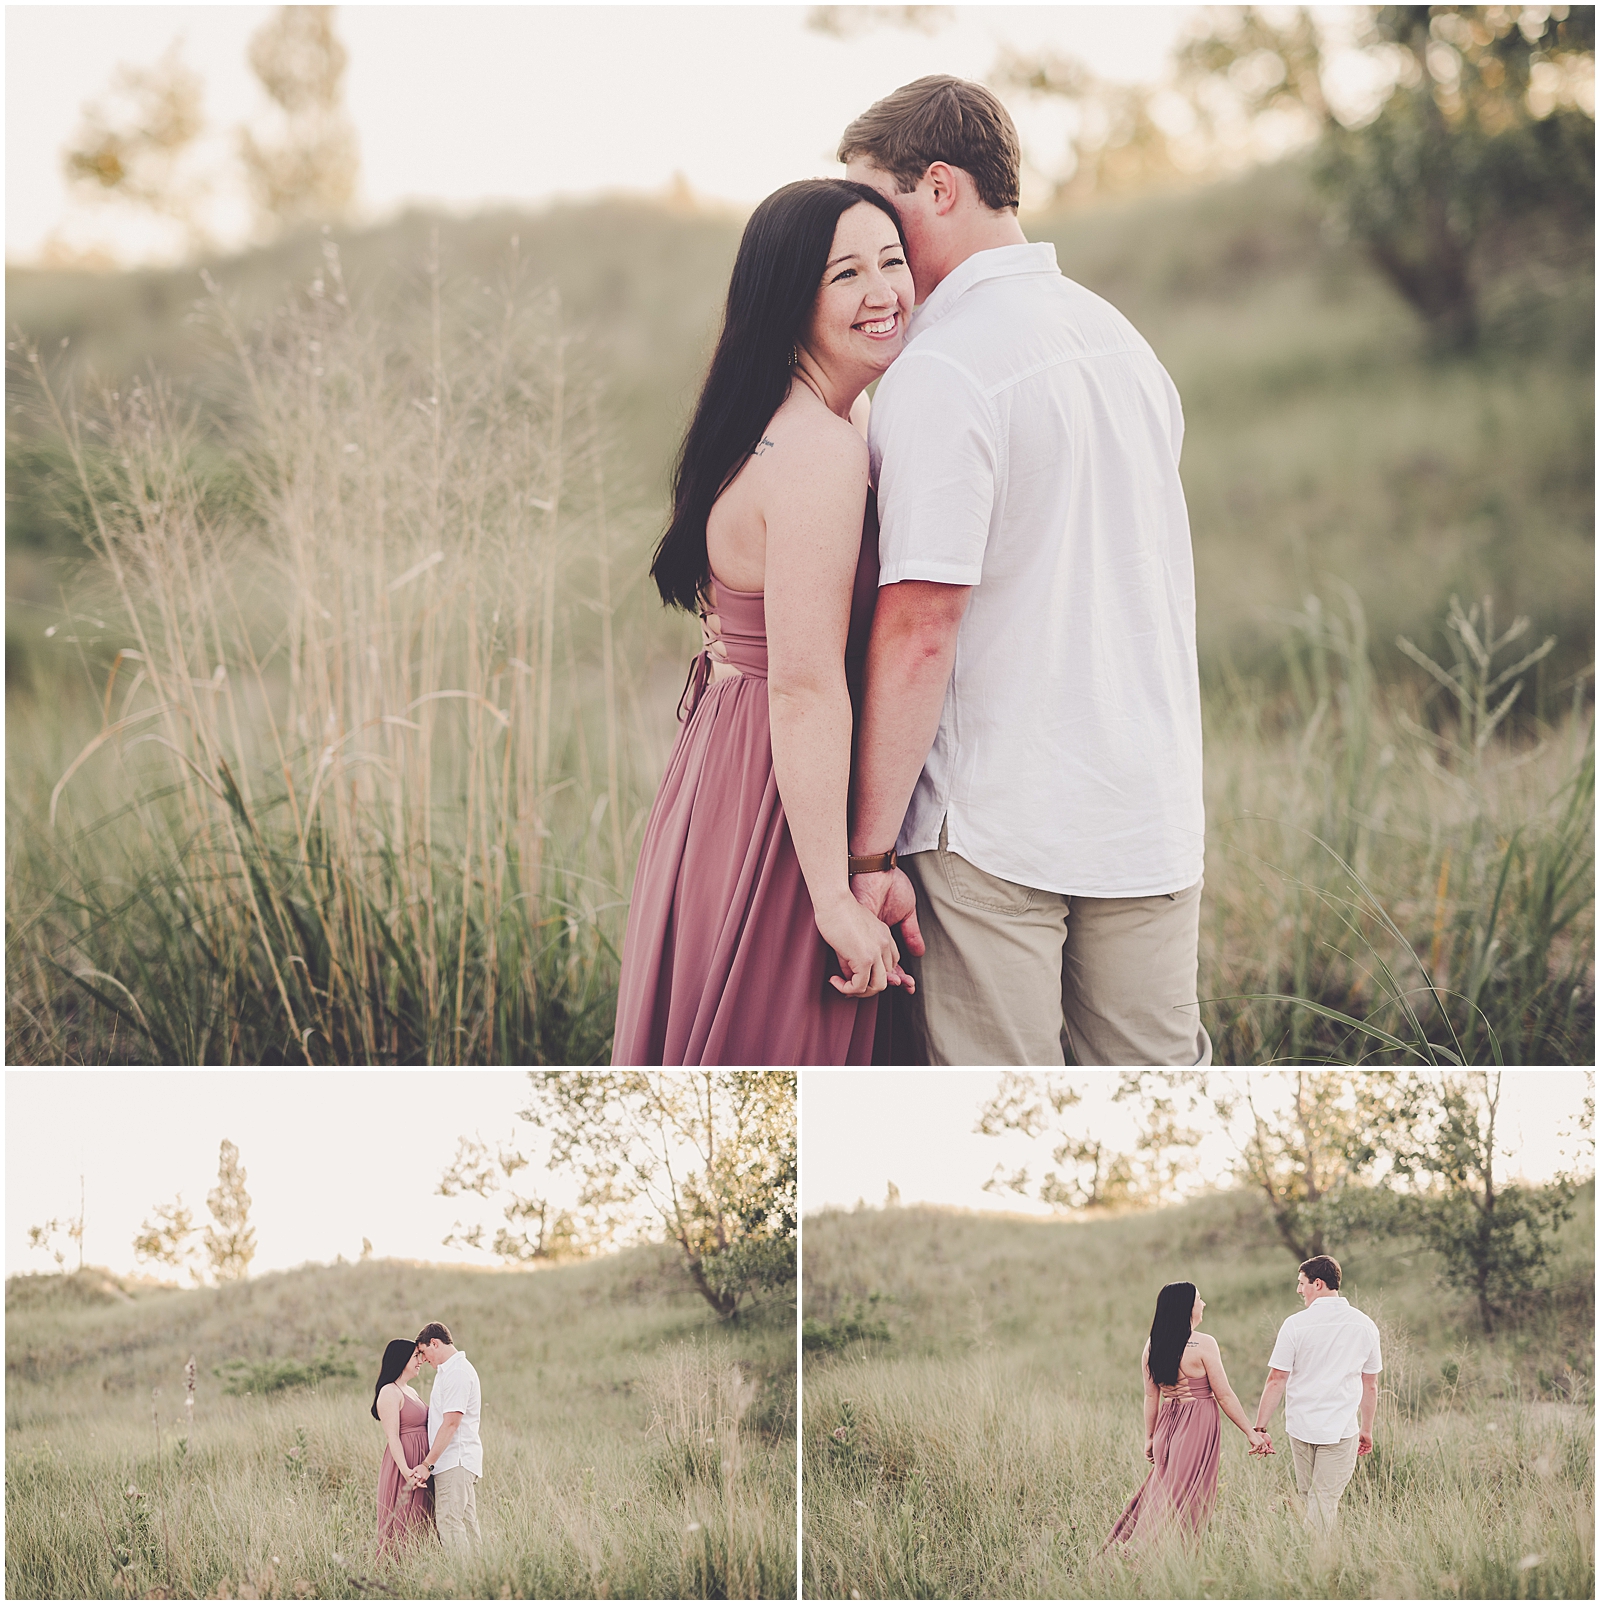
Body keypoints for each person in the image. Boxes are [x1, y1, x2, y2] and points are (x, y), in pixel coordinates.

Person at [837, 76, 1211, 1067]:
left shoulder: (942, 368)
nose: (864, 241)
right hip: (1147, 805)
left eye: (880, 206)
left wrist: (868, 852)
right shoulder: (1121, 343)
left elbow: (921, 622)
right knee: (1154, 1092)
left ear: (943, 189)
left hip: (995, 826)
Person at [612, 178, 924, 1064]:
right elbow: (804, 683)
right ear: (790, 299)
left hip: (729, 762)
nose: (884, 292)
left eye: (893, 262)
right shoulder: (818, 451)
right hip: (780, 795)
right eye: (846, 275)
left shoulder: (800, 418)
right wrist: (832, 893)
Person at [1105, 1281, 1265, 1549]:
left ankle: (1147, 1553)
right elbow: (1224, 1395)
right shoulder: (1203, 1344)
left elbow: (1151, 1396)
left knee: (1163, 1493)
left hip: (1166, 1425)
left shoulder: (1152, 1345)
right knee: (1188, 1499)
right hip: (1197, 1425)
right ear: (1187, 1307)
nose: (1203, 1304)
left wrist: (1150, 1437)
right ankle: (1152, 1557)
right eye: (1199, 1299)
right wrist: (1251, 1432)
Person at [1250, 1254, 1381, 1533]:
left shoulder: (1295, 1324)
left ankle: (1312, 1561)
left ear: (1318, 1284)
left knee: (1313, 1498)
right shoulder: (1365, 1324)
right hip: (1340, 1428)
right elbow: (1370, 1383)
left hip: (1301, 1426)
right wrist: (1366, 1429)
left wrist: (1260, 1427)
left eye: (1302, 1283)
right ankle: (1317, 1561)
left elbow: (1276, 1380)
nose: (1299, 1290)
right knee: (1321, 1501)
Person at [412, 1322, 484, 1555]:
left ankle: (464, 1584)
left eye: (423, 1352)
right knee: (467, 1527)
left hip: (455, 1461)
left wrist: (427, 1464)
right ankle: (480, 1580)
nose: (422, 1359)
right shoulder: (449, 1372)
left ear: (435, 1343)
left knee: (450, 1525)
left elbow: (451, 1423)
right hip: (454, 1462)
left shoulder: (457, 1373)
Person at [371, 1338, 435, 1560]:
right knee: (402, 1521)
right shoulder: (390, 1392)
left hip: (421, 1464)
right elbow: (393, 1438)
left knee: (421, 1521)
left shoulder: (411, 1390)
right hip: (404, 1465)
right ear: (402, 1359)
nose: (420, 1361)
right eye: (416, 1356)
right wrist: (407, 1471)